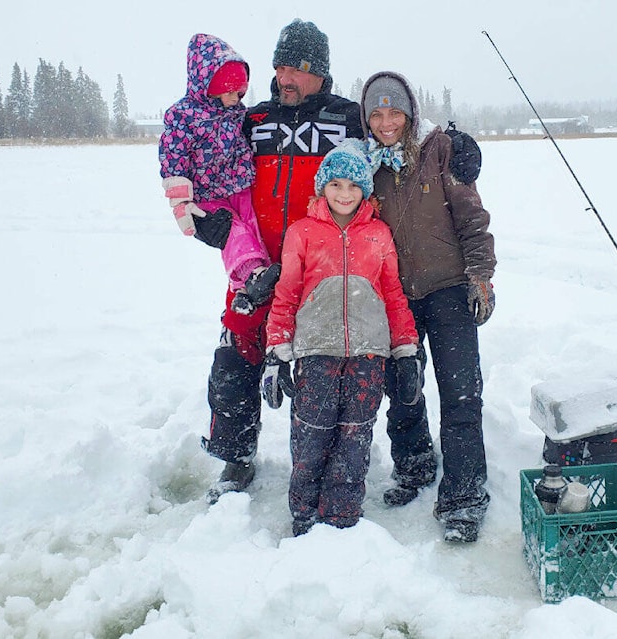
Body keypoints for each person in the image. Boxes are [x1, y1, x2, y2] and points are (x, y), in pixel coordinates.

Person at [203, 20, 365, 503]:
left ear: (319, 72)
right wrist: (205, 218)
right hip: (256, 267)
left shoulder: (348, 119)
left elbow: (397, 139)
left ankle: (323, 463)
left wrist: (453, 148)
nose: (283, 76)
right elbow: (202, 158)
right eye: (278, 66)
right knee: (235, 354)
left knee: (322, 369)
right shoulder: (250, 121)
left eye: (295, 67)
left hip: (321, 271)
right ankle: (235, 456)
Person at [360, 71, 497, 542]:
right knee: (403, 387)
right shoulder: (362, 164)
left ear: (410, 113)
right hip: (395, 297)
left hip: (450, 290)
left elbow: (472, 215)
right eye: (376, 114)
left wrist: (481, 274)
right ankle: (414, 466)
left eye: (394, 112)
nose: (386, 122)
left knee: (461, 393)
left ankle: (464, 495)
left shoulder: (440, 150)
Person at [261, 140, 422, 535]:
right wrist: (276, 351)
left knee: (355, 434)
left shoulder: (379, 234)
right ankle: (303, 512)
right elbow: (287, 293)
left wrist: (405, 350)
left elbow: (394, 295)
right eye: (336, 185)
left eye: (353, 185)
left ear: (365, 190)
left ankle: (342, 516)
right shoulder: (302, 233)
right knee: (312, 432)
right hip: (317, 349)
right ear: (322, 187)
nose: (344, 193)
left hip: (369, 353)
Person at [158, 33, 262, 269]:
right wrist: (181, 203)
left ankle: (261, 272)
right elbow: (173, 159)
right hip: (208, 193)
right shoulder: (183, 116)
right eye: (230, 92)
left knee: (253, 228)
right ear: (210, 87)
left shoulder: (237, 113)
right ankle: (250, 274)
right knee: (231, 232)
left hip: (240, 186)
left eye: (240, 93)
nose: (236, 99)